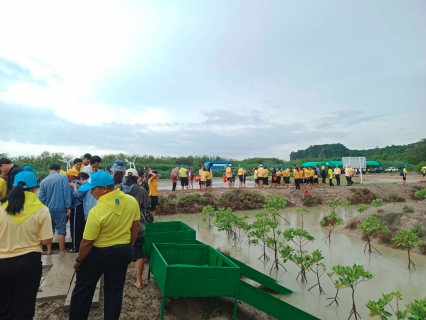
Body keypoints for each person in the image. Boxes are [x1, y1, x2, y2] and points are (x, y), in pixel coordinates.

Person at [69, 172, 140, 320]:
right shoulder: (131, 201)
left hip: (98, 254)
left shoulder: (96, 211)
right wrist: (128, 247)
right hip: (122, 251)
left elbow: (87, 242)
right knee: (114, 292)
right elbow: (135, 226)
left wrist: (79, 261)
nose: (91, 192)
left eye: (93, 189)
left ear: (104, 189)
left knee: (83, 290)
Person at [0, 170, 53, 320]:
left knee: (3, 306)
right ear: (34, 188)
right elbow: (46, 241)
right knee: (24, 307)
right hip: (28, 264)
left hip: (1, 264)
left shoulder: (1, 207)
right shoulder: (42, 210)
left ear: (13, 185)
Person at [117, 169, 150, 289]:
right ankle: (139, 281)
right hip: (138, 226)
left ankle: (118, 279)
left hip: (120, 226)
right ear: (137, 178)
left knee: (119, 252)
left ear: (125, 177)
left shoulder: (117, 189)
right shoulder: (141, 190)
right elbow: (147, 205)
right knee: (138, 253)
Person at [39, 164, 72, 254]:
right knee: (61, 229)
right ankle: (62, 251)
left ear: (49, 170)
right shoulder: (62, 178)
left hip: (47, 209)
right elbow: (66, 192)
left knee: (49, 230)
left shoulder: (43, 181)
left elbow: (41, 197)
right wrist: (68, 206)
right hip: (60, 208)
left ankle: (49, 250)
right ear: (59, 170)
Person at [68, 171, 85, 253]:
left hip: (76, 207)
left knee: (75, 228)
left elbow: (72, 197)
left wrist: (68, 207)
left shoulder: (73, 184)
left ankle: (75, 247)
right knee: (82, 228)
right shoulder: (86, 184)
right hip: (84, 207)